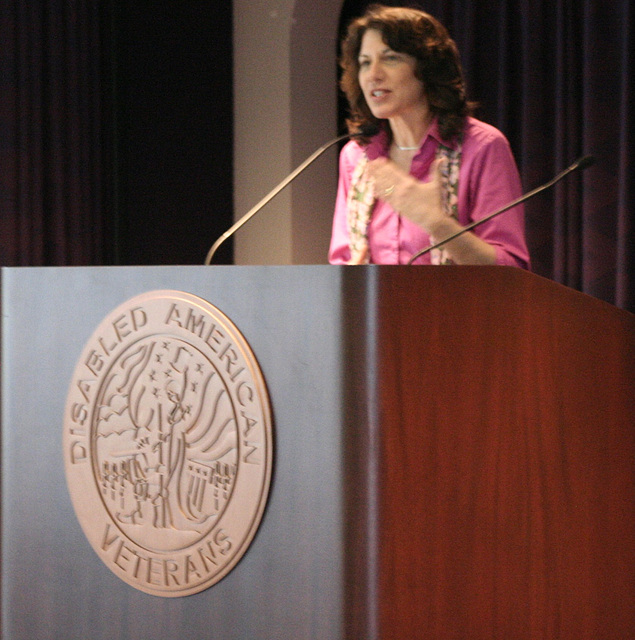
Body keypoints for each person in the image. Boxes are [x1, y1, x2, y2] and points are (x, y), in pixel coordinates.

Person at [328, 4, 530, 268]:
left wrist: (436, 223)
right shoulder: (356, 156)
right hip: (376, 309)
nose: (373, 75)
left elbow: (510, 270)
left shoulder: (481, 147)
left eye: (390, 58)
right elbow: (343, 260)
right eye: (365, 63)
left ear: (427, 68)